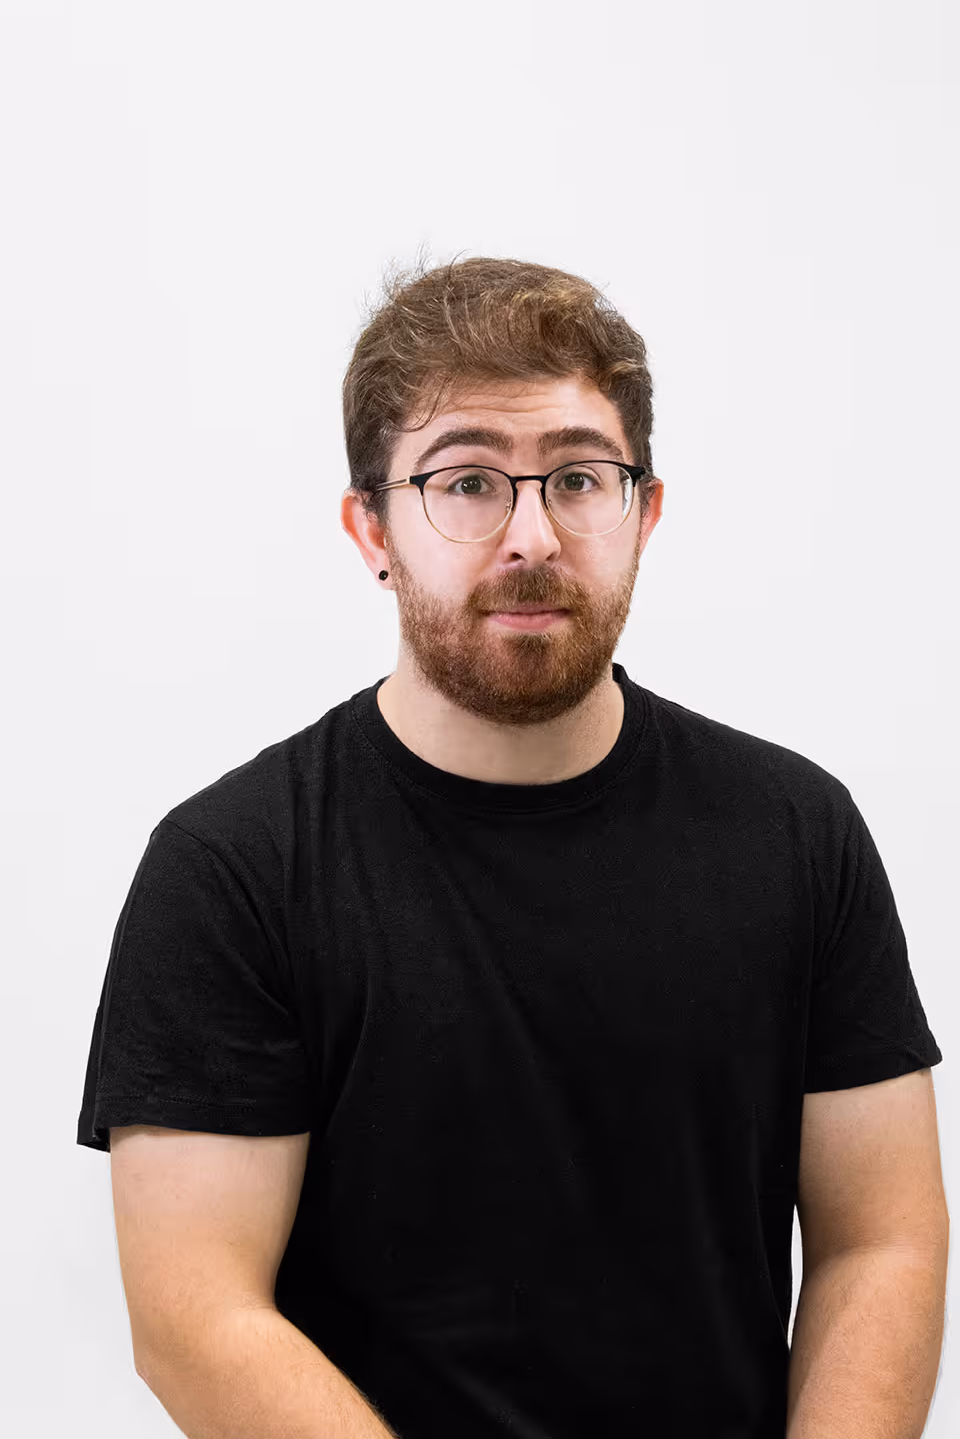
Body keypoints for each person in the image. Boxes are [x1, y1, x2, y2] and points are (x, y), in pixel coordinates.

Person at [77, 252, 944, 1439]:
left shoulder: (799, 834)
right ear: (369, 527)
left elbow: (879, 1243)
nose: (531, 535)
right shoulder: (234, 869)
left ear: (643, 512)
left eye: (578, 478)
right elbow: (194, 1315)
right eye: (468, 482)